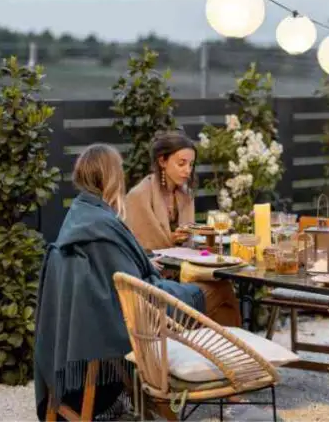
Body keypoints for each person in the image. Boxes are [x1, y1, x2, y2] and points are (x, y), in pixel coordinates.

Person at [34, 144, 206, 421]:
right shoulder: (102, 224)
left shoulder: (82, 214)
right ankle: (214, 385)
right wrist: (184, 286)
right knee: (208, 292)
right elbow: (133, 285)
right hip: (116, 318)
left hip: (87, 314)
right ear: (112, 177)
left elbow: (112, 267)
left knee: (195, 289)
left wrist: (142, 264)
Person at [124, 130, 242, 328]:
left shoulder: (185, 195)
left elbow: (189, 240)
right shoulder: (138, 196)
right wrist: (172, 238)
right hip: (151, 285)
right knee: (223, 290)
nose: (187, 170)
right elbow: (139, 246)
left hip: (180, 273)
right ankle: (231, 349)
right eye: (181, 163)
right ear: (162, 161)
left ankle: (220, 350)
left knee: (223, 286)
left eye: (191, 164)